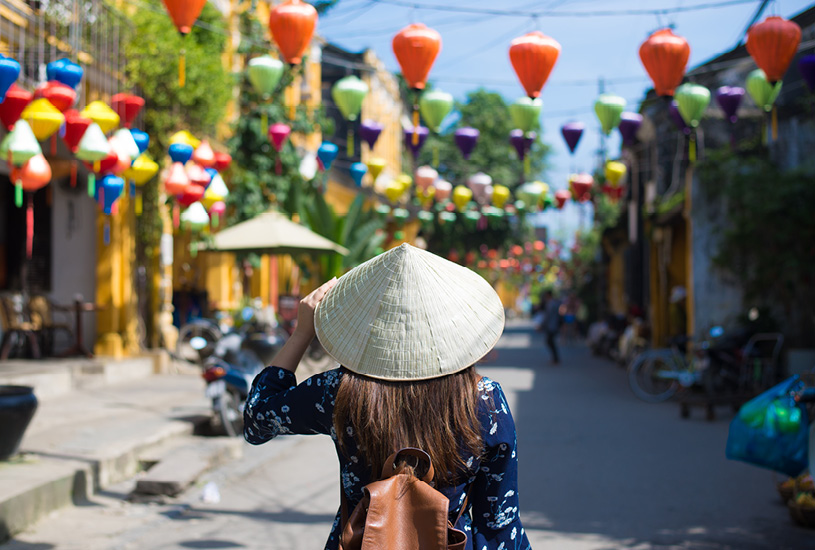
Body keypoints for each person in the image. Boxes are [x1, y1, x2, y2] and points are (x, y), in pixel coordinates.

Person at [244, 244, 532, 550]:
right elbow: (499, 521)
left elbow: (256, 421)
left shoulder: (336, 390)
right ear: (453, 327)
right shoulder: (485, 400)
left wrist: (302, 333)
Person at [540, 290, 562, 365]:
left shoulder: (550, 304)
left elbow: (547, 316)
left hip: (551, 326)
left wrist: (542, 325)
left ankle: (556, 359)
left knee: (550, 341)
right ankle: (555, 358)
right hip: (553, 325)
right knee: (550, 341)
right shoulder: (555, 303)